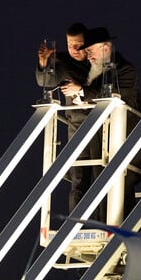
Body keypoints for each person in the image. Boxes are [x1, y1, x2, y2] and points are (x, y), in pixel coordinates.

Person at [78, 26, 141, 216]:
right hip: (100, 140)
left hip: (123, 140)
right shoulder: (95, 72)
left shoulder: (125, 70)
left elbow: (112, 94)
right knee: (101, 186)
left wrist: (82, 93)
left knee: (122, 188)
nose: (88, 56)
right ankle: (105, 230)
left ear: (105, 48)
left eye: (90, 51)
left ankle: (119, 236)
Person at [35, 23, 97, 216]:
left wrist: (81, 90)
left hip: (104, 126)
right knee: (79, 181)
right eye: (70, 45)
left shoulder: (101, 61)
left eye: (78, 45)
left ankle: (105, 225)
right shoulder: (62, 62)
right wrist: (44, 63)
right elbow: (45, 81)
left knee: (104, 178)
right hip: (78, 127)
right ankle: (76, 227)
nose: (74, 50)